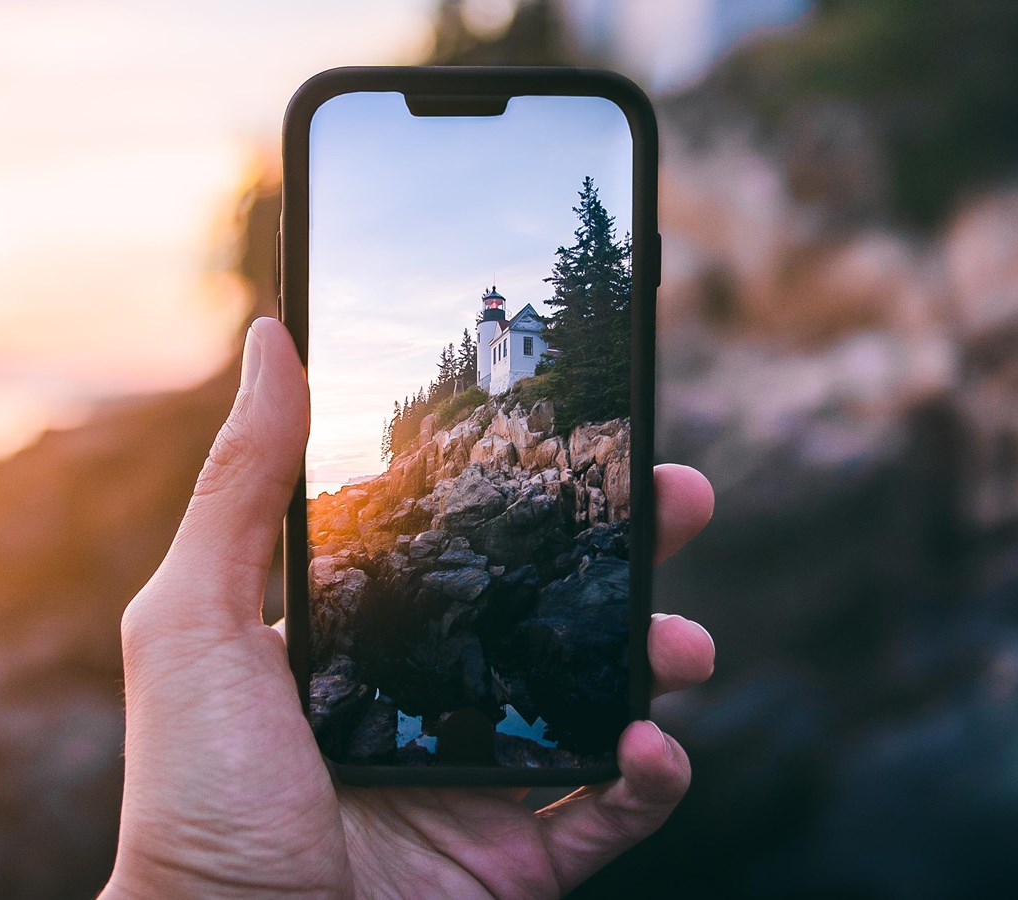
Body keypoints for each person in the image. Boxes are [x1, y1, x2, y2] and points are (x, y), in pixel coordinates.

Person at [102, 318, 717, 898]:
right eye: (495, 314)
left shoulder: (506, 353)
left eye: (496, 313)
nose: (497, 318)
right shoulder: (498, 353)